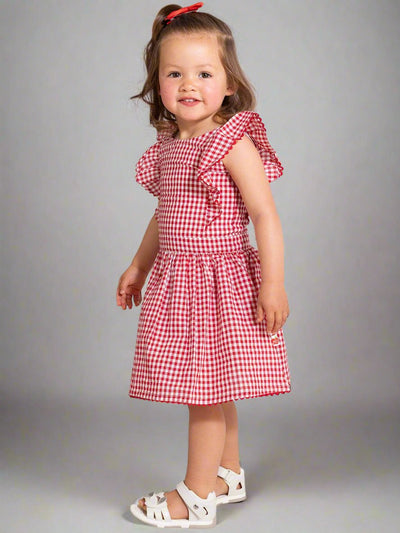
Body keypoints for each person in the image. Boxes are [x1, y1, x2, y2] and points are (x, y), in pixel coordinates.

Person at [116, 2, 291, 528]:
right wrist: (138, 266)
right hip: (179, 279)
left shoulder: (231, 142)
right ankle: (227, 473)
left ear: (229, 83)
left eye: (204, 73)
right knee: (215, 384)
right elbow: (164, 215)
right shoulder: (170, 143)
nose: (188, 85)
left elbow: (264, 214)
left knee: (203, 390)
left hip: (219, 280)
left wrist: (274, 284)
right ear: (158, 82)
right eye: (175, 73)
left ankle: (194, 496)